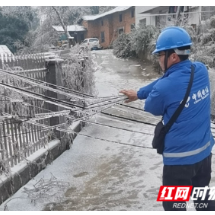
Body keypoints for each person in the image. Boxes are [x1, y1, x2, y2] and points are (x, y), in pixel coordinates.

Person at [120, 26, 215, 211]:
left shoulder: (164, 88)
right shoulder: (201, 70)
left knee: (174, 207)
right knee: (204, 203)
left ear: (173, 56)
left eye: (160, 55)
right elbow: (167, 80)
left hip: (178, 163)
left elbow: (152, 106)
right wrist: (139, 93)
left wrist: (141, 97)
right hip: (204, 155)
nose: (158, 59)